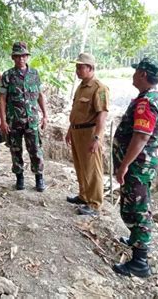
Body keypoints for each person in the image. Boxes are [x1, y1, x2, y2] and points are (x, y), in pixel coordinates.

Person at [112, 57, 158, 278]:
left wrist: (124, 165)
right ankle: (134, 240)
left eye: (136, 72)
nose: (133, 75)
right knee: (132, 205)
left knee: (139, 210)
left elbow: (141, 137)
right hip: (138, 165)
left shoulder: (147, 102)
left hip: (138, 166)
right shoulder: (147, 98)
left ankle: (139, 263)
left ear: (143, 74)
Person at [0, 41, 48, 192]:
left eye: (24, 56)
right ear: (13, 58)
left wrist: (45, 115)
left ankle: (39, 177)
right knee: (15, 150)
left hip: (32, 120)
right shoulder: (8, 75)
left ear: (27, 57)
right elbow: (2, 98)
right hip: (14, 121)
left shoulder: (34, 74)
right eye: (18, 56)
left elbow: (39, 95)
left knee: (35, 149)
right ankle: (19, 177)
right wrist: (2, 121)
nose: (21, 59)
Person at [65, 53, 109, 216]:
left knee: (92, 168)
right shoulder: (81, 86)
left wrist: (97, 138)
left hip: (90, 132)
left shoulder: (99, 88)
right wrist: (71, 129)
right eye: (77, 67)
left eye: (80, 67)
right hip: (77, 131)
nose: (77, 70)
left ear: (90, 68)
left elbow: (102, 115)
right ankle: (84, 196)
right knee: (80, 166)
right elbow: (77, 110)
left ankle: (95, 203)